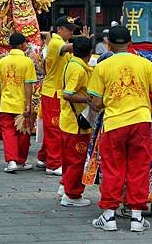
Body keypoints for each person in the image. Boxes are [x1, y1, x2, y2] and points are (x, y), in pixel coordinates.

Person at [87, 25, 152, 232]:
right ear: (130, 42)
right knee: (139, 168)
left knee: (112, 169)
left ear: (109, 44)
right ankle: (137, 218)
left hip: (114, 123)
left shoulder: (103, 65)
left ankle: (109, 216)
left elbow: (95, 102)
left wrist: (107, 100)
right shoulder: (145, 63)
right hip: (141, 122)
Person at [38, 16, 86, 176]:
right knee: (54, 128)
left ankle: (44, 157)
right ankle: (53, 164)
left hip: (54, 91)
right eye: (69, 29)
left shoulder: (60, 42)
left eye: (73, 29)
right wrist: (83, 42)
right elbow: (68, 49)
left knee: (52, 127)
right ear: (59, 29)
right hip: (53, 92)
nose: (71, 32)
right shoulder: (56, 42)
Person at [0, 33, 37, 173]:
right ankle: (20, 161)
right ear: (22, 45)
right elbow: (28, 86)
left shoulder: (3, 62)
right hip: (21, 104)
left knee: (8, 132)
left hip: (6, 103)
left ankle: (11, 161)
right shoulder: (27, 62)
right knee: (24, 134)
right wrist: (29, 105)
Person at [59, 36, 93, 207]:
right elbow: (68, 93)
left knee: (69, 159)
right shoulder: (78, 69)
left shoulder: (72, 64)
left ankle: (66, 186)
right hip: (76, 124)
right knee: (76, 161)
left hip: (68, 121)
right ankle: (72, 195)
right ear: (89, 53)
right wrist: (88, 101)